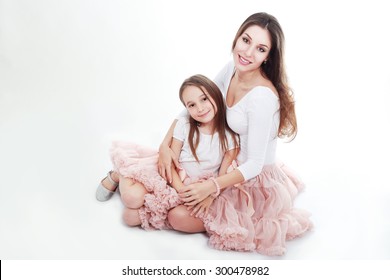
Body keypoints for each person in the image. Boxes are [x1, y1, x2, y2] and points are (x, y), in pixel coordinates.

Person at [158, 12, 313, 256]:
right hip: (221, 158)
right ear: (236, 38)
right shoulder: (231, 68)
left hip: (246, 178)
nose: (248, 53)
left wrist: (213, 188)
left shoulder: (262, 97)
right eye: (246, 40)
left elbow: (255, 164)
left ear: (268, 57)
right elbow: (194, 104)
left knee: (177, 217)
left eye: (261, 49)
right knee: (164, 171)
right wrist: (164, 147)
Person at [96, 74, 239, 229]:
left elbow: (223, 175)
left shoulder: (229, 134)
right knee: (131, 198)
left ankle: (160, 211)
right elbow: (170, 164)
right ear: (186, 109)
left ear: (215, 94)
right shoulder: (185, 125)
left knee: (129, 217)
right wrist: (181, 191)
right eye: (191, 105)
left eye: (204, 99)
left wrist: (210, 194)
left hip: (201, 188)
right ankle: (120, 174)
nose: (200, 108)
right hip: (171, 179)